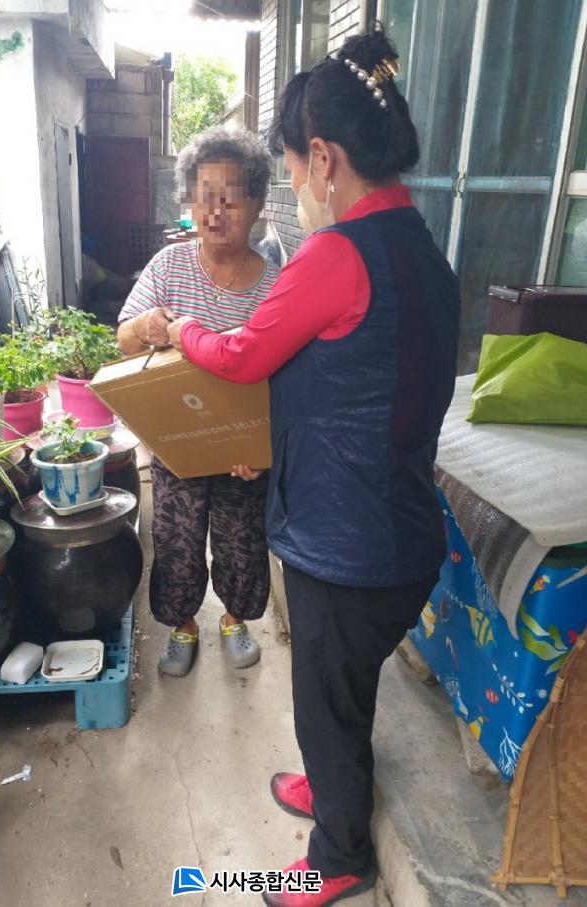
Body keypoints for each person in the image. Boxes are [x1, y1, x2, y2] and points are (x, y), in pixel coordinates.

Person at [167, 25, 460, 907]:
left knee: (324, 700)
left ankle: (338, 854)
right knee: (345, 683)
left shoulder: (336, 255)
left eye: (293, 168)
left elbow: (240, 354)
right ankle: (335, 786)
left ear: (325, 159)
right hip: (402, 531)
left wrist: (182, 328)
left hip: (346, 543)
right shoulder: (425, 250)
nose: (294, 187)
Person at [117, 126, 279, 678]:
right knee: (176, 541)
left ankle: (235, 619)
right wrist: (144, 324)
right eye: (204, 196)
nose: (215, 212)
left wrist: (261, 450)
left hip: (240, 453)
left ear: (256, 203)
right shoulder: (169, 266)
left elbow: (283, 376)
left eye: (230, 198)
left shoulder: (274, 285)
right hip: (178, 444)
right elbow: (124, 338)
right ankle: (182, 625)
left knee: (241, 543)